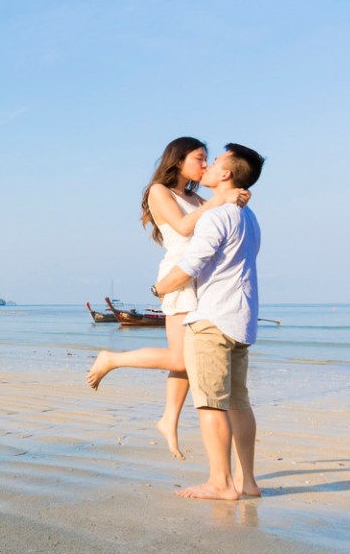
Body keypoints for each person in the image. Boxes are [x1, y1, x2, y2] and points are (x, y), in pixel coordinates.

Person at [85, 137, 247, 460]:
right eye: (200, 158)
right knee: (181, 359)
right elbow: (185, 228)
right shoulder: (159, 191)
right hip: (178, 276)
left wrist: (234, 197)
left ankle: (168, 420)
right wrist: (221, 200)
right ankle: (111, 359)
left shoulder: (196, 196)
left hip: (200, 279)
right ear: (178, 161)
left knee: (187, 358)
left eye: (207, 159)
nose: (205, 164)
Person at [152, 143, 265, 500]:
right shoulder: (248, 215)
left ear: (227, 174)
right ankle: (247, 482)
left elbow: (191, 265)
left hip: (212, 318)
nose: (209, 165)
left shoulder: (216, 213)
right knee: (238, 402)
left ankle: (220, 483)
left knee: (211, 403)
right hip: (242, 319)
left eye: (213, 161)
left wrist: (159, 288)